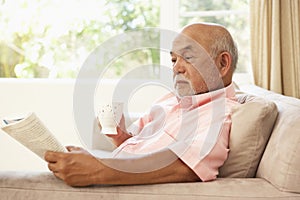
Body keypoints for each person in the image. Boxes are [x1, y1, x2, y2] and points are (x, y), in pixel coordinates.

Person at [45, 22, 240, 186]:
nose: (176, 68)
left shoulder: (220, 114)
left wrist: (97, 170)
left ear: (222, 64)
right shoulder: (170, 100)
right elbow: (139, 146)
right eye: (173, 59)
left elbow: (185, 167)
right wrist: (120, 137)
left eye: (188, 58)